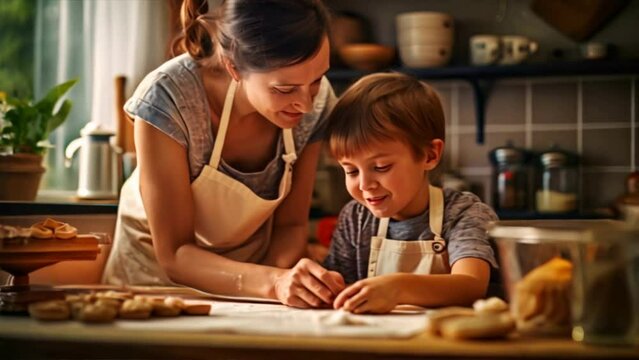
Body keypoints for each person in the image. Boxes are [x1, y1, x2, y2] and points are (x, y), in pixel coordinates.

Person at [103, 0, 346, 309]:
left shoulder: (318, 102)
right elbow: (175, 254)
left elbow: (291, 227)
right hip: (153, 286)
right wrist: (273, 282)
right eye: (285, 90)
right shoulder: (169, 98)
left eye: (315, 81)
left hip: (256, 291)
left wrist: (283, 288)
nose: (307, 104)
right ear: (234, 67)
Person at [322, 73, 499, 314]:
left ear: (429, 155)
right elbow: (340, 289)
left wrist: (397, 288)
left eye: (381, 167)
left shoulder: (463, 213)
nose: (365, 184)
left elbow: (471, 285)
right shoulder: (356, 219)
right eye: (351, 170)